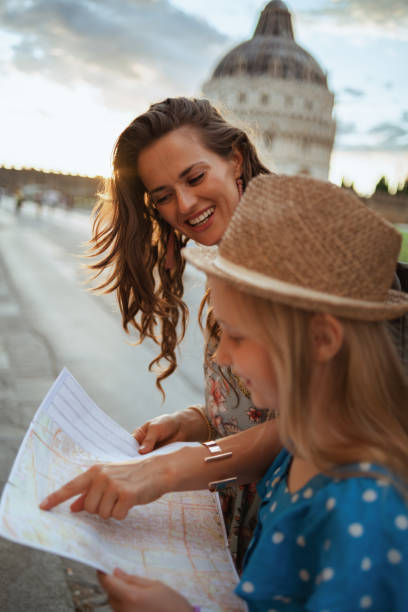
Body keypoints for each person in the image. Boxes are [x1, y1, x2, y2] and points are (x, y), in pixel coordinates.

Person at [42, 174, 408, 611]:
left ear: (321, 341)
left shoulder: (366, 514)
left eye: (236, 335)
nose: (222, 356)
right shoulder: (301, 445)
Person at [87, 96, 271, 567]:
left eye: (194, 178)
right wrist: (196, 420)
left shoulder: (287, 260)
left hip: (289, 526)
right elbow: (261, 402)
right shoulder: (226, 256)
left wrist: (167, 471)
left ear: (234, 159)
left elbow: (316, 425)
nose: (185, 205)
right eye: (162, 196)